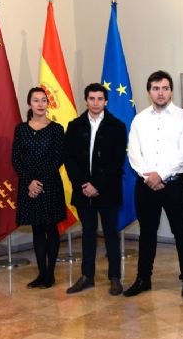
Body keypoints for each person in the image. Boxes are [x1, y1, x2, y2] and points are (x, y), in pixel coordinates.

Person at [124, 70, 183, 299]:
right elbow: (133, 151)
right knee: (147, 233)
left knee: (182, 232)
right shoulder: (139, 119)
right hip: (145, 186)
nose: (161, 92)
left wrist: (160, 175)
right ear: (149, 92)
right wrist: (149, 177)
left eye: (165, 88)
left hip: (174, 185)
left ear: (170, 90)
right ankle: (143, 278)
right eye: (156, 88)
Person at [63, 83, 128, 296]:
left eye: (100, 99)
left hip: (107, 190)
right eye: (92, 98)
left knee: (110, 233)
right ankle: (86, 276)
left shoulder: (117, 126)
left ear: (106, 101)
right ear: (86, 101)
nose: (96, 103)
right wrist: (84, 185)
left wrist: (97, 185)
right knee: (88, 233)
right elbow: (69, 159)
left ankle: (115, 277)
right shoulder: (74, 126)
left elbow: (116, 161)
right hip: (83, 192)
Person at [12, 87, 66, 289]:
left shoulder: (56, 129)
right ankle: (41, 274)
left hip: (50, 184)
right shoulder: (21, 129)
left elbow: (58, 158)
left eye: (44, 100)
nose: (40, 104)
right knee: (37, 229)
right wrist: (29, 182)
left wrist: (40, 182)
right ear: (30, 104)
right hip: (29, 186)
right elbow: (15, 158)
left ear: (47, 103)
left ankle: (50, 274)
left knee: (51, 229)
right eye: (36, 100)